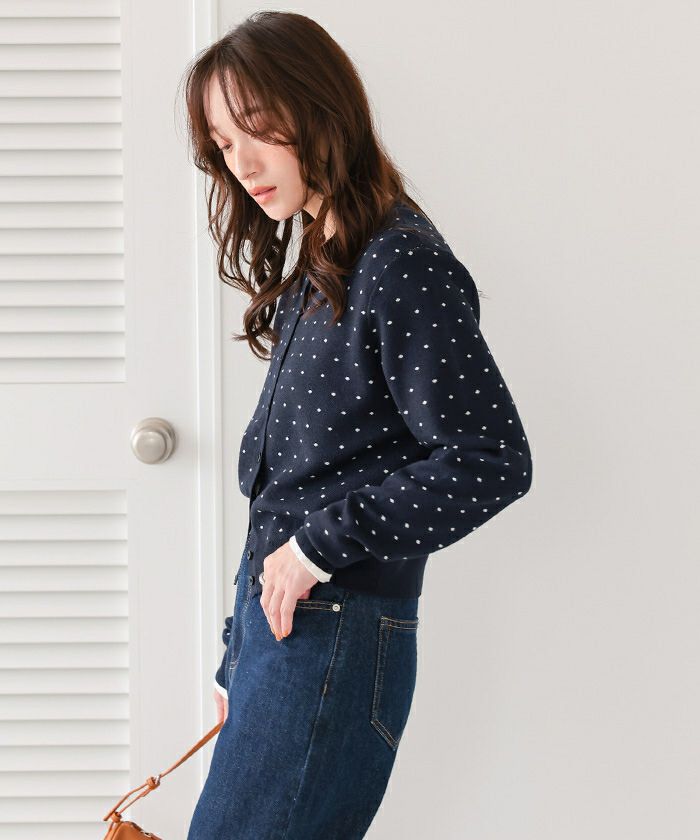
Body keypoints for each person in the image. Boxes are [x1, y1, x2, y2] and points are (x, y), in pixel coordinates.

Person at [180, 11, 533, 839]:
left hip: (332, 638)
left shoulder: (398, 261)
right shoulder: (325, 258)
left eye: (258, 128)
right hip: (287, 641)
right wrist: (239, 657)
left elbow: (491, 458)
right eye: (224, 145)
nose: (244, 165)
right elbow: (291, 485)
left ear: (320, 108)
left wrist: (314, 550)